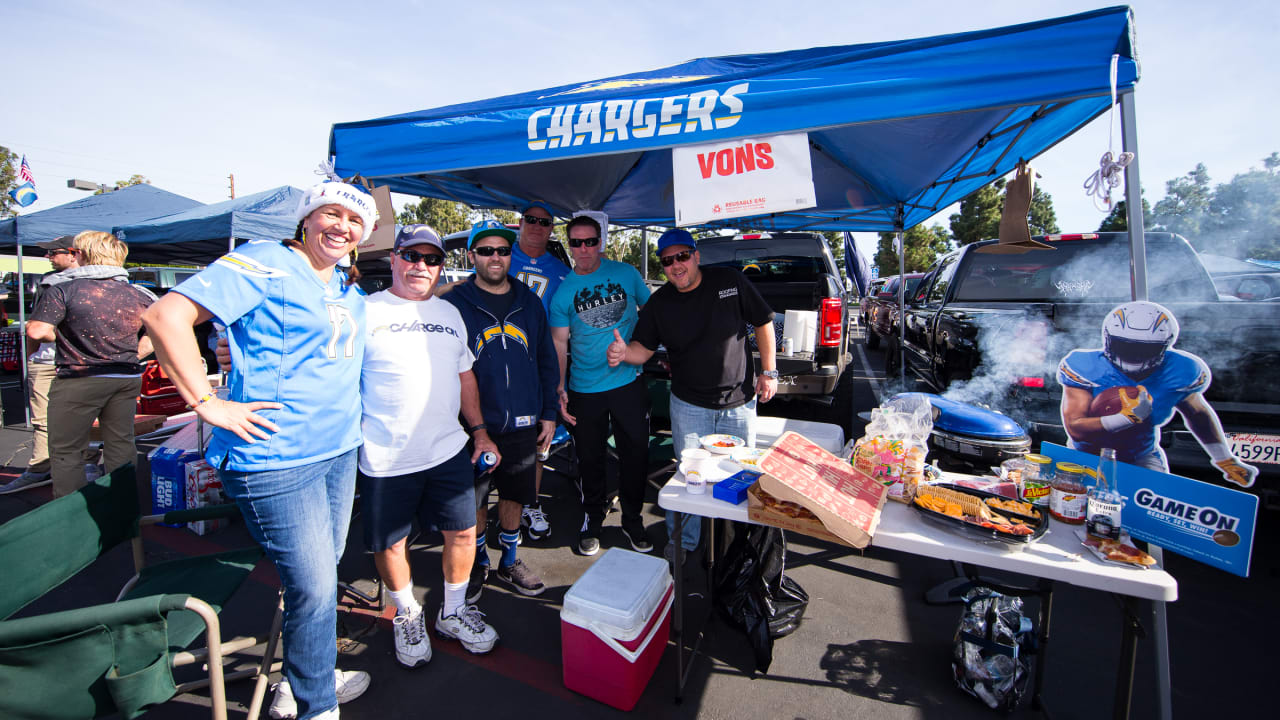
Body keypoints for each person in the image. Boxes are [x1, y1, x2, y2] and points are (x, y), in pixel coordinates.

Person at [142, 180, 376, 720]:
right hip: (276, 457)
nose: (341, 227)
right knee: (315, 586)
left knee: (318, 581)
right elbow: (164, 317)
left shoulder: (343, 281)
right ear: (306, 219)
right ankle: (317, 705)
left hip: (338, 450)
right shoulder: (266, 259)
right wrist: (206, 402)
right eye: (330, 214)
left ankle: (301, 678)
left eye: (354, 220)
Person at [359, 224, 500, 667]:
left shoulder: (450, 313)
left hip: (447, 449)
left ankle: (452, 612)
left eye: (432, 259)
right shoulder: (364, 311)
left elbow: (465, 376)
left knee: (463, 532)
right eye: (412, 256)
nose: (422, 266)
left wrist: (479, 431)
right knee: (391, 544)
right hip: (385, 456)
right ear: (394, 259)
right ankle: (407, 613)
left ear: (441, 266)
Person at [607, 228, 778, 560]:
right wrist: (623, 353)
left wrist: (769, 372)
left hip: (738, 403)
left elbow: (763, 322)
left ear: (696, 256)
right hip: (689, 405)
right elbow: (643, 348)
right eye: (667, 261)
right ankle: (683, 542)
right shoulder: (660, 302)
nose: (676, 265)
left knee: (740, 477)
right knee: (689, 478)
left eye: (682, 256)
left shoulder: (730, 281)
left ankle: (741, 546)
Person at [443, 219, 558, 602]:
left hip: (523, 421)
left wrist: (548, 411)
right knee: (475, 501)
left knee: (514, 495)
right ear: (471, 255)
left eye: (503, 250)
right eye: (487, 250)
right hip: (472, 425)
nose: (496, 257)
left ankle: (509, 560)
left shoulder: (529, 301)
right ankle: (478, 562)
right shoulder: (454, 303)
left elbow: (546, 359)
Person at [1059, 300, 1259, 487]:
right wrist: (1126, 418)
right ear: (1108, 339)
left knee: (1154, 501)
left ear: (1165, 345)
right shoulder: (1087, 367)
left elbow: (1198, 414)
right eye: (1125, 346)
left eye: (1145, 349)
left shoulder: (1181, 370)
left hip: (1141, 455)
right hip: (1086, 454)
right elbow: (1076, 428)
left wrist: (1224, 459)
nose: (1134, 355)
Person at [549, 214, 652, 556]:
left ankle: (633, 520)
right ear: (569, 245)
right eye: (576, 243)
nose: (583, 249)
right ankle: (592, 520)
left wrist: (636, 350)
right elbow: (559, 344)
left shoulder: (626, 274)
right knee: (590, 460)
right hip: (584, 389)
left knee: (635, 456)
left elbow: (653, 314)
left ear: (600, 242)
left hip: (628, 382)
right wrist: (560, 388)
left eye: (590, 241)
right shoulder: (564, 291)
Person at [25, 231, 155, 499]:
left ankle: (70, 513)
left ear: (82, 255)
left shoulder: (63, 289)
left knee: (67, 450)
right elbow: (160, 331)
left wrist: (67, 337)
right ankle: (123, 504)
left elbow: (36, 331)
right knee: (121, 443)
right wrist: (134, 354)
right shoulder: (139, 293)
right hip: (125, 376)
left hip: (79, 377)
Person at [0, 236, 97, 495]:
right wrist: (32, 359)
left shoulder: (96, 283)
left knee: (83, 417)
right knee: (43, 420)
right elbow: (34, 326)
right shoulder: (48, 282)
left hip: (79, 363)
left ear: (74, 254)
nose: (48, 257)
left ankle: (85, 465)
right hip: (48, 361)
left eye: (54, 252)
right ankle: (40, 469)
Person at [508, 201, 571, 542]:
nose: (536, 226)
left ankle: (530, 503)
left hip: (536, 370)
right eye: (531, 219)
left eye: (544, 222)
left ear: (551, 229)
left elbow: (563, 332)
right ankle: (502, 511)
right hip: (495, 365)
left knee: (537, 442)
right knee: (494, 438)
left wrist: (558, 383)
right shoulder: (500, 255)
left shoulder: (561, 271)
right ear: (520, 222)